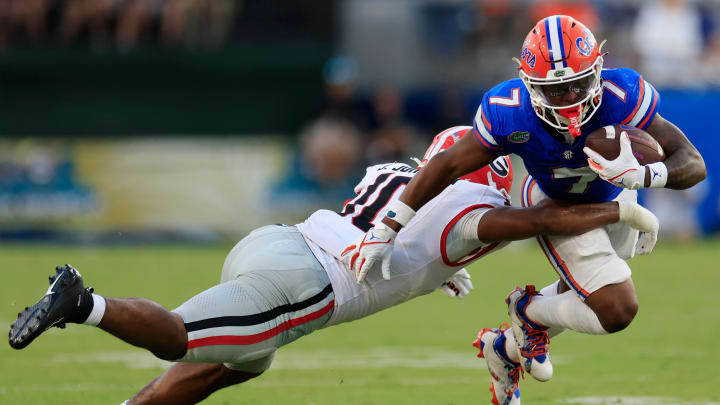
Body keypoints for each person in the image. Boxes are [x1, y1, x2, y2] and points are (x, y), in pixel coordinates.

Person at [8, 126, 659, 405]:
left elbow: (390, 211)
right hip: (309, 281)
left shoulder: (411, 175)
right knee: (182, 337)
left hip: (280, 241)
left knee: (222, 368)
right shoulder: (473, 206)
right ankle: (83, 302)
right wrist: (622, 207)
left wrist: (433, 265)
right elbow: (538, 220)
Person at [344, 15, 706, 405]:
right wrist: (388, 227)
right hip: (555, 202)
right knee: (615, 307)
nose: (571, 99)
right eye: (557, 91)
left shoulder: (623, 94)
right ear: (530, 86)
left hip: (613, 194)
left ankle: (506, 345)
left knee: (581, 293)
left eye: (578, 85)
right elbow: (447, 165)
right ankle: (529, 312)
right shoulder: (510, 111)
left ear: (598, 70)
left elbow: (692, 162)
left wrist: (645, 175)